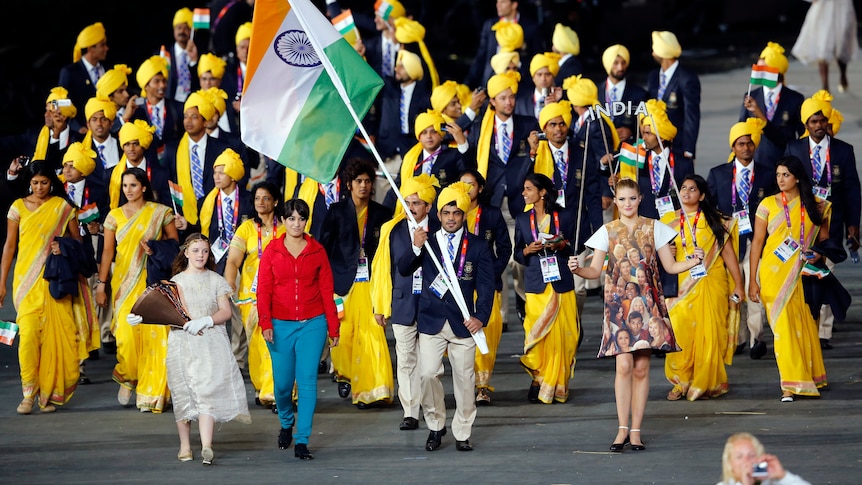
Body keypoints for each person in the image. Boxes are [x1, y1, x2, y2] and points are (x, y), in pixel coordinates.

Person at [569, 177, 703, 452]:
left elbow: (670, 265)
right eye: (622, 199)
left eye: (632, 198)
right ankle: (621, 430)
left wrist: (694, 261)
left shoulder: (655, 228)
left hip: (649, 304)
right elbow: (594, 271)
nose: (627, 203)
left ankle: (636, 432)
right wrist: (577, 270)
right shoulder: (607, 231)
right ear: (615, 201)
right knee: (623, 366)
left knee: (641, 368)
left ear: (640, 199)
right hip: (619, 305)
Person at [128, 233, 250, 465]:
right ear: (186, 253)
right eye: (195, 251)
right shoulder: (177, 281)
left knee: (206, 392)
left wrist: (205, 321)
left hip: (210, 342)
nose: (200, 255)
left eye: (205, 251)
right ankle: (185, 445)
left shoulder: (216, 280)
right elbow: (165, 311)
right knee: (183, 393)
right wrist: (141, 317)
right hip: (182, 343)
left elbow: (225, 312)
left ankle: (206, 446)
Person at [397, 182, 494, 452]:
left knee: (465, 382)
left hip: (464, 324)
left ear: (464, 215)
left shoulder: (477, 246)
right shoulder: (427, 241)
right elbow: (404, 269)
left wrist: (480, 317)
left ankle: (462, 432)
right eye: (446, 213)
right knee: (427, 374)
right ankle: (436, 425)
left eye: (457, 213)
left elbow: (486, 287)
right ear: (438, 215)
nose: (451, 218)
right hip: (431, 321)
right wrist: (415, 248)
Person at [258, 198, 340, 460]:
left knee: (307, 383)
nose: (296, 223)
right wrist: (265, 322)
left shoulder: (317, 251)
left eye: (301, 218)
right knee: (282, 386)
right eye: (291, 218)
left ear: (307, 221)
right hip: (280, 326)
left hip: (312, 324)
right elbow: (263, 290)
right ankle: (286, 423)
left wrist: (333, 326)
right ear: (282, 221)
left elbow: (327, 291)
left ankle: (302, 439)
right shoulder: (271, 251)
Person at [0, 162, 81, 414]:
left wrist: (63, 247)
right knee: (28, 339)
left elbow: (77, 242)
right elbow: (9, 247)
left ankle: (48, 395)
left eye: (44, 182)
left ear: (52, 183)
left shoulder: (62, 207)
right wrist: (1, 283)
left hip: (53, 280)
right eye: (34, 183)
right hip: (24, 283)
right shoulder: (17, 208)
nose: (38, 187)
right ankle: (27, 394)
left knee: (52, 338)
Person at [95, 167, 179, 411]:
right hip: (123, 284)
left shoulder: (161, 212)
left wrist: (155, 248)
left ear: (143, 186)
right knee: (127, 337)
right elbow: (107, 252)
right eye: (124, 186)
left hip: (153, 284)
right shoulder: (114, 216)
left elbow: (175, 246)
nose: (128, 190)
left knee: (153, 338)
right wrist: (101, 285)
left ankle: (150, 391)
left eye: (133, 185)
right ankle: (127, 374)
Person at [748, 156, 830, 402]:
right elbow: (758, 244)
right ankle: (789, 383)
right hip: (774, 273)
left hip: (804, 272)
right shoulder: (767, 205)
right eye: (778, 175)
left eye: (785, 175)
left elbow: (826, 243)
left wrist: (818, 255)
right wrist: (752, 279)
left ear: (797, 177)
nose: (780, 179)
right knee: (782, 329)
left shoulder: (817, 205)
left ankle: (810, 375)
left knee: (804, 323)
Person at [784, 91, 861, 349]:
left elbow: (852, 189)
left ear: (828, 122)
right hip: (801, 221)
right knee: (802, 270)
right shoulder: (794, 148)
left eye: (822, 121)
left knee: (826, 269)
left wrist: (854, 224)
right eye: (814, 122)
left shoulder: (843, 151)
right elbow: (785, 183)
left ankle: (824, 332)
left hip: (834, 221)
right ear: (806, 124)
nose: (819, 126)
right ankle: (806, 322)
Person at [319, 159, 394, 407]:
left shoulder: (382, 213)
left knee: (373, 334)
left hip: (372, 283)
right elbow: (324, 248)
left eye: (367, 181)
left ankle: (372, 391)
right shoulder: (336, 211)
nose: (363, 186)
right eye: (358, 181)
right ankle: (346, 375)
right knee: (345, 336)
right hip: (342, 283)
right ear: (349, 185)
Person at [664, 175, 745, 401]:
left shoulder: (716, 221)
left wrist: (739, 285)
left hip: (712, 282)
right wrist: (667, 253)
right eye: (683, 188)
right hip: (680, 286)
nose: (687, 192)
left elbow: (728, 255)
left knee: (709, 333)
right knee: (681, 332)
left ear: (702, 195)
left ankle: (705, 381)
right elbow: (659, 256)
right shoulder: (668, 221)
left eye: (692, 189)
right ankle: (681, 382)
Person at [372, 174, 440, 429]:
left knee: (429, 364)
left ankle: (431, 407)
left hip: (432, 304)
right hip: (402, 304)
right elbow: (390, 269)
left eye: (416, 202)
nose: (411, 207)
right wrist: (380, 305)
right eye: (408, 202)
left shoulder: (441, 228)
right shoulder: (393, 229)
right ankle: (410, 412)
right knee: (406, 359)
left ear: (428, 206)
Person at [708, 118, 776, 359]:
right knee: (733, 290)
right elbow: (709, 208)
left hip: (757, 241)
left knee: (754, 287)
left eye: (749, 143)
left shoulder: (768, 174)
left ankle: (756, 338)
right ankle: (737, 337)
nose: (746, 148)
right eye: (740, 144)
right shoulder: (718, 174)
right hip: (728, 243)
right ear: (733, 147)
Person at [514, 173, 577, 404]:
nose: (524, 193)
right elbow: (517, 254)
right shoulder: (522, 220)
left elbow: (574, 247)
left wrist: (561, 244)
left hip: (560, 282)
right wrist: (527, 251)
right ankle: (539, 378)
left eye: (528, 189)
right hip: (535, 285)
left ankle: (556, 383)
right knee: (537, 333)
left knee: (564, 335)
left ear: (542, 192)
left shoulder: (565, 215)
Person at [224, 182, 284, 409]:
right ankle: (262, 387)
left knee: (277, 342)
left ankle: (276, 392)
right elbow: (233, 261)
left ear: (275, 201)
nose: (261, 202)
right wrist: (229, 281)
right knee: (257, 343)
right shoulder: (246, 229)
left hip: (281, 294)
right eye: (258, 198)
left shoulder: (287, 226)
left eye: (266, 198)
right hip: (252, 296)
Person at [460, 170, 511, 404]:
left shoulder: (491, 214)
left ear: (480, 188)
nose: (467, 188)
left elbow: (504, 248)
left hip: (487, 284)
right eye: (462, 184)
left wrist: (490, 274)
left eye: (471, 184)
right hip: (459, 286)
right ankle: (465, 384)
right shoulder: (451, 213)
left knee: (487, 334)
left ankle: (483, 386)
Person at [739, 42, 805, 168]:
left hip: (785, 166)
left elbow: (802, 137)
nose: (759, 73)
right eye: (758, 69)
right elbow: (740, 132)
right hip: (756, 165)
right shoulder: (750, 97)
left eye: (763, 70)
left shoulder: (795, 99)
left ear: (776, 71)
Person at [647, 31, 700, 162]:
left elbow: (691, 115)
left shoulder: (687, 78)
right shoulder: (653, 77)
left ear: (663, 52)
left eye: (656, 49)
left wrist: (688, 148)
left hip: (677, 146)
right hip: (655, 145)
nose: (653, 53)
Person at [792, 0, 858, 93]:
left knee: (842, 43)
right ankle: (825, 85)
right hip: (824, 7)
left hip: (842, 5)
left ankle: (843, 74)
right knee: (823, 44)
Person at [59, 22, 108, 132]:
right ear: (91, 49)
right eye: (102, 45)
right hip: (81, 133)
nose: (106, 48)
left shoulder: (107, 69)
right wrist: (77, 127)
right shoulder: (70, 72)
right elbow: (62, 102)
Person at [598, 44, 649, 145]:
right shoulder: (595, 92)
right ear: (608, 64)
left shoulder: (640, 94)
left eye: (623, 63)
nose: (620, 67)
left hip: (628, 153)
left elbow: (647, 126)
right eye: (615, 63)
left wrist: (632, 133)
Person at [717, 432, 811, 485]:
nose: (747, 460)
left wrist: (783, 476)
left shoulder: (774, 482)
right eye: (739, 457)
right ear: (730, 464)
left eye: (752, 455)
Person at [166, 8, 200, 103]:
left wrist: (194, 61)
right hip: (170, 104)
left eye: (186, 28)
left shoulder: (199, 54)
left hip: (191, 103)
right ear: (174, 30)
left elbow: (199, 82)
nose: (182, 31)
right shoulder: (164, 54)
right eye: (179, 27)